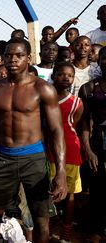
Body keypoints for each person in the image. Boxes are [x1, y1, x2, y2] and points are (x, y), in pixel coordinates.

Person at [0, 38, 67, 243]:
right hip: (4, 158)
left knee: (41, 220)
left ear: (28, 58)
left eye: (19, 55)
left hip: (34, 159)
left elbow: (56, 130)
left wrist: (60, 170)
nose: (13, 59)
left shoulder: (43, 89)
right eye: (8, 55)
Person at [49, 62, 84, 243]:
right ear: (54, 76)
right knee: (47, 191)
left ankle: (66, 232)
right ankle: (45, 227)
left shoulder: (77, 102)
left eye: (70, 75)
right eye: (61, 74)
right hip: (47, 151)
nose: (66, 78)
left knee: (69, 193)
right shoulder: (45, 97)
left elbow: (74, 126)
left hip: (70, 151)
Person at [79, 46, 106, 243]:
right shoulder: (89, 88)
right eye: (104, 58)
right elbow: (84, 122)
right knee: (98, 188)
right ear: (99, 61)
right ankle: (97, 228)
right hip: (98, 140)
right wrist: (88, 149)